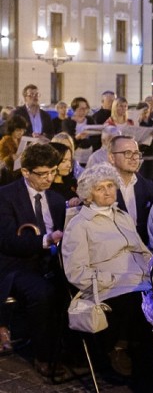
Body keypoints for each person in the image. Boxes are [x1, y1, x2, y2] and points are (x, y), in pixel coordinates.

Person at [61, 164, 153, 381]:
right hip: (108, 287)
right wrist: (110, 280)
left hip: (140, 280)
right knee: (137, 303)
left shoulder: (122, 216)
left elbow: (142, 250)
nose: (107, 191)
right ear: (88, 194)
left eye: (110, 186)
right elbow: (75, 272)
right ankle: (120, 348)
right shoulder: (79, 225)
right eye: (100, 188)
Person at [0, 143, 68, 378]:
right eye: (42, 173)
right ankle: (43, 355)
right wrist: (46, 240)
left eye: (52, 172)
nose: (49, 178)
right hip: (16, 265)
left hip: (51, 263)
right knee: (43, 293)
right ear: (26, 172)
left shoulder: (57, 199)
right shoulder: (6, 196)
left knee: (78, 286)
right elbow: (7, 241)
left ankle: (74, 351)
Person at [109, 135, 153, 244]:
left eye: (136, 153)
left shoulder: (148, 187)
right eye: (127, 153)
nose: (134, 158)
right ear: (112, 158)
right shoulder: (102, 188)